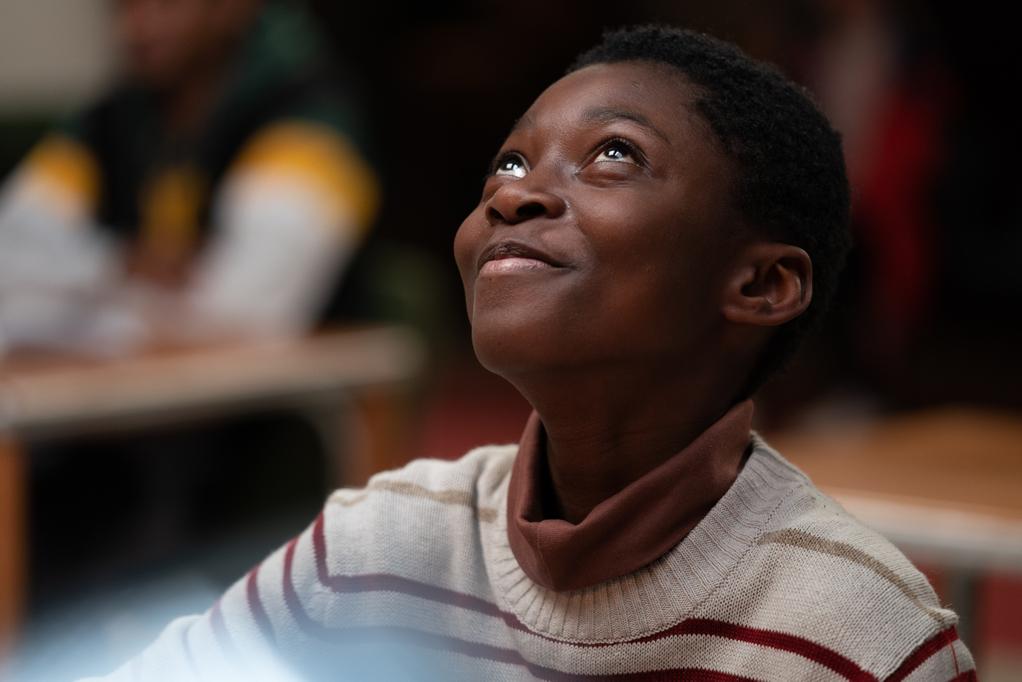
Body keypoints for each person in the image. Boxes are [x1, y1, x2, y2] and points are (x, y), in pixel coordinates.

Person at [82, 25, 974, 681]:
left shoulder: (854, 633)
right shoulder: (379, 546)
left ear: (761, 285)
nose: (518, 197)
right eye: (509, 165)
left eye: (613, 154)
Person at [0, 0, 377, 355]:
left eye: (168, 3)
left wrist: (76, 290)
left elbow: (242, 317)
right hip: (122, 401)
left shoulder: (309, 115)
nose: (138, 27)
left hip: (275, 413)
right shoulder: (113, 117)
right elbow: (10, 251)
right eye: (123, 4)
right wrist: (119, 262)